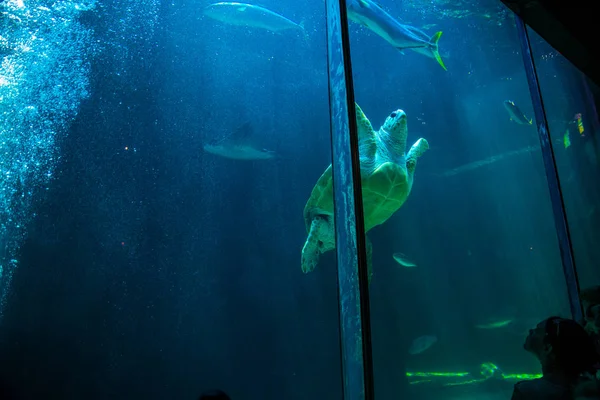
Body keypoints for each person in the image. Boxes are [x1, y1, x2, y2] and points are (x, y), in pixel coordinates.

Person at [511, 316, 599, 400]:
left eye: (537, 330)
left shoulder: (525, 392)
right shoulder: (591, 390)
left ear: (547, 348)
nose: (531, 330)